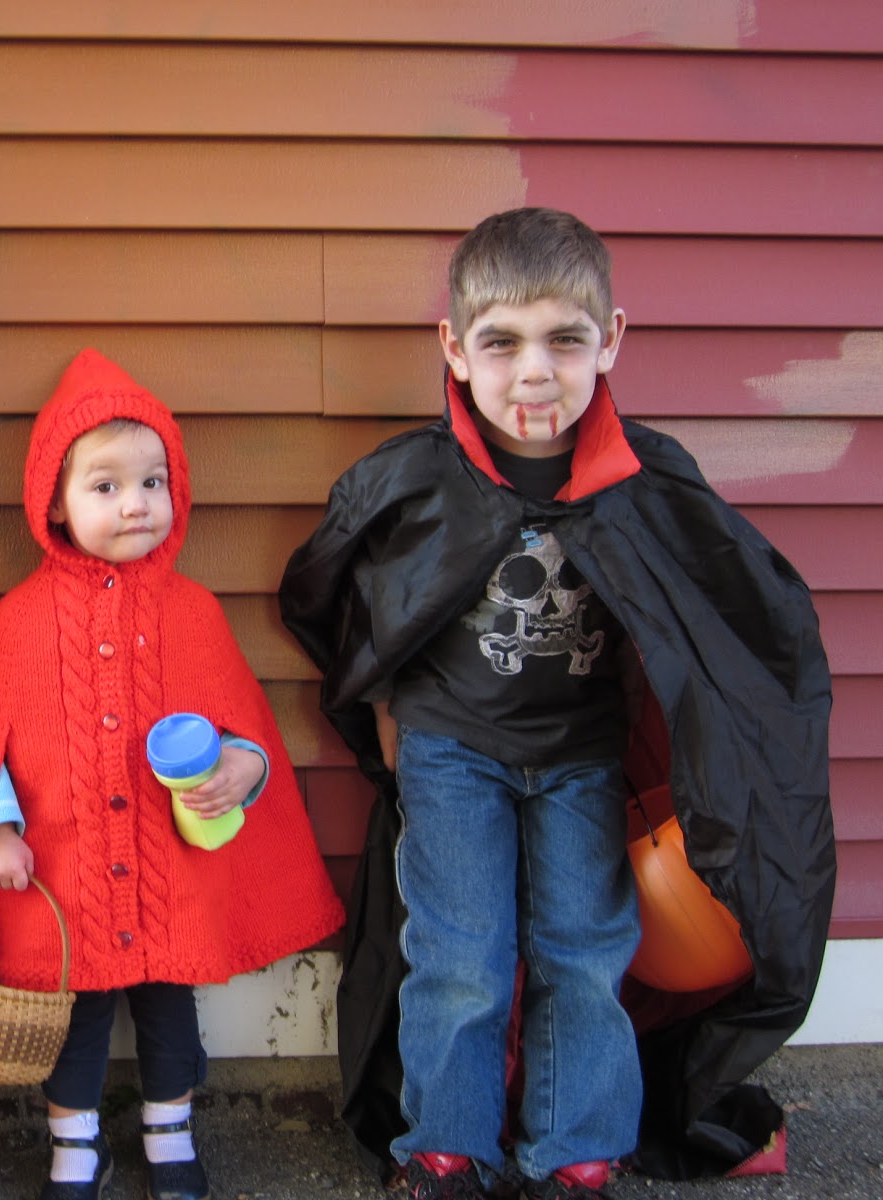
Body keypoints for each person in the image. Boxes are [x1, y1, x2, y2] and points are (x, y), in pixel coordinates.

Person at [280, 208, 834, 1200]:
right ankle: (445, 1149)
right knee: (460, 954)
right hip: (452, 754)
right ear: (455, 348)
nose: (533, 373)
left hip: (584, 757)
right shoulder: (413, 481)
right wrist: (389, 724)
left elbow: (729, 624)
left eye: (564, 341)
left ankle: (574, 1151)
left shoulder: (646, 481)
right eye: (501, 343)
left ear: (610, 339)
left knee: (585, 950)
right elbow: (357, 609)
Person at [0, 349, 344, 1200]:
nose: (135, 503)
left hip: (169, 873)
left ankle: (170, 1132)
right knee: (73, 1020)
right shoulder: (20, 623)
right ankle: (75, 1146)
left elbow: (241, 723)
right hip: (63, 878)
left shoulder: (192, 612)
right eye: (104, 486)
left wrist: (242, 767)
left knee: (172, 1014)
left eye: (152, 482)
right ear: (54, 503)